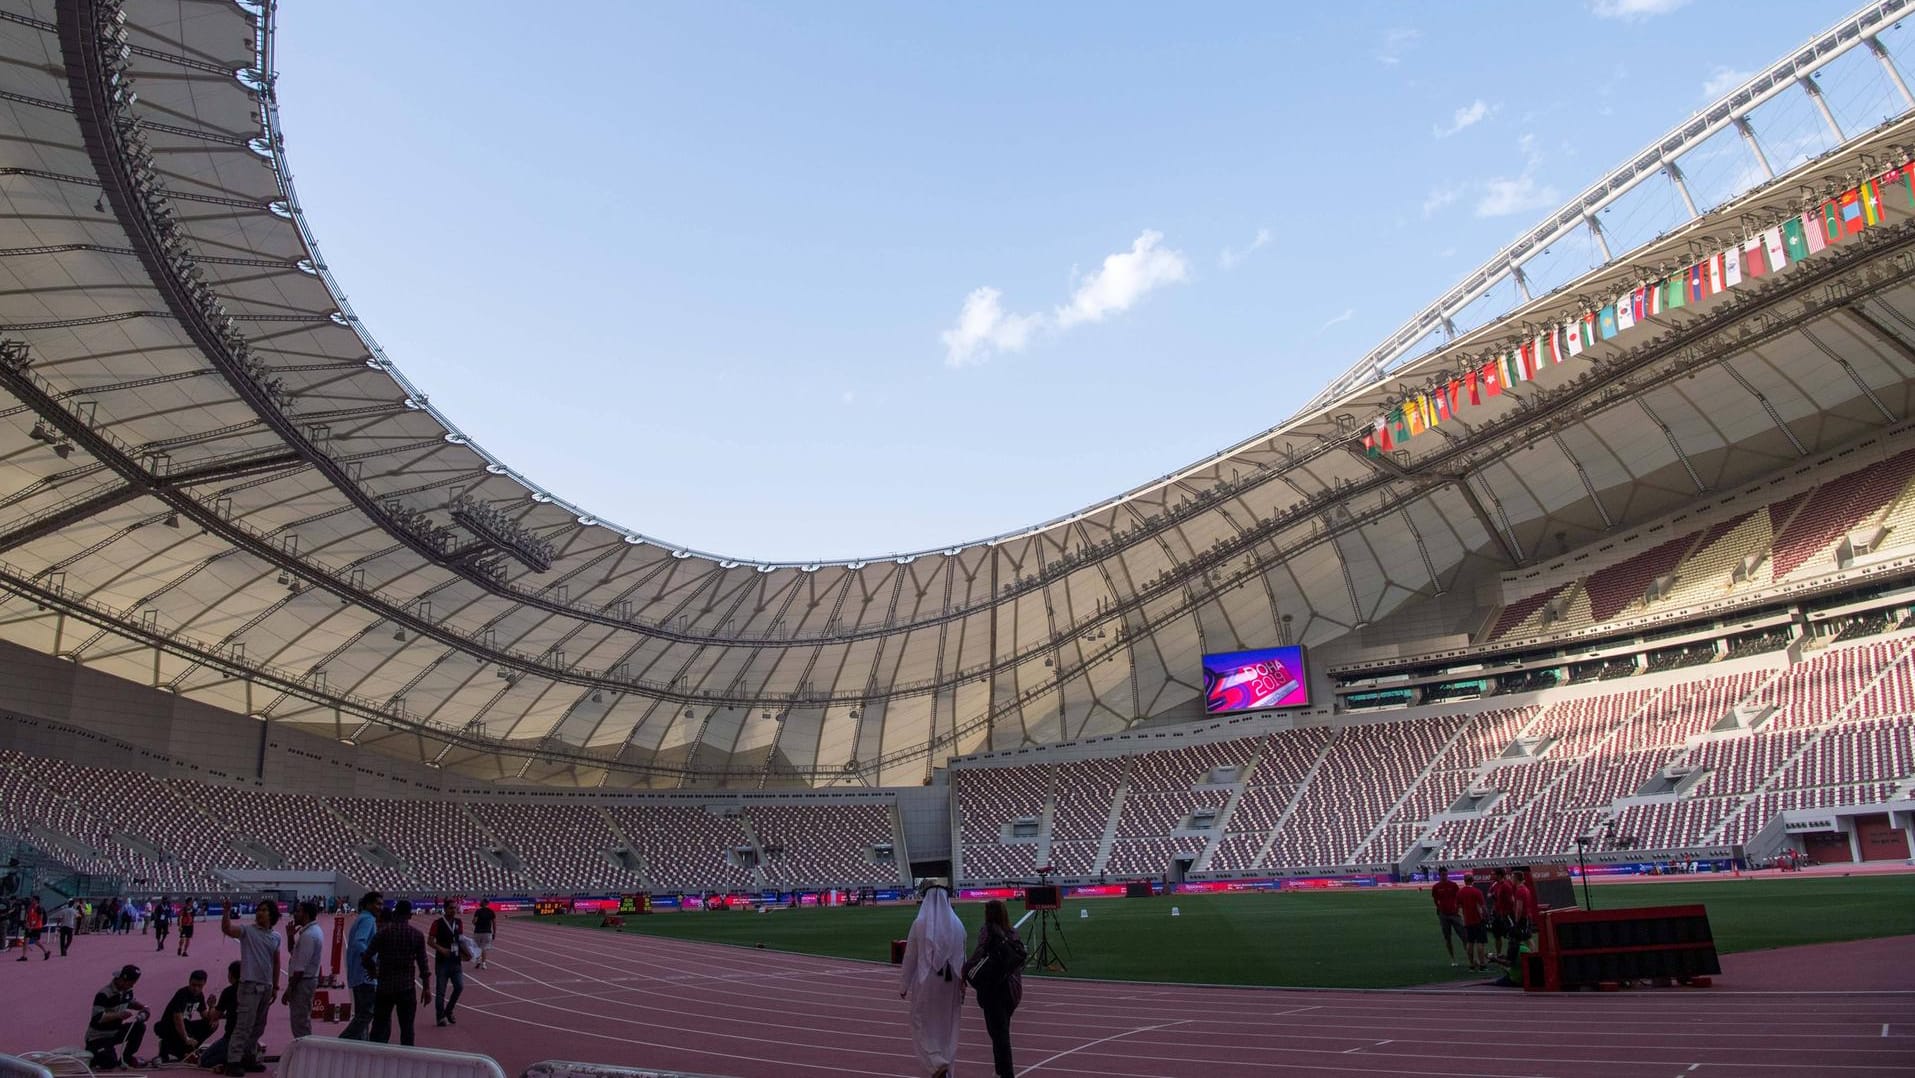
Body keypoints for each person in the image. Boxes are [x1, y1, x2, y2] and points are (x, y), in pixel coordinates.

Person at [898, 887, 966, 1078]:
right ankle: (947, 1067)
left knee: (920, 1020)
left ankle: (936, 1063)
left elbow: (910, 955)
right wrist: (962, 983)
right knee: (948, 1026)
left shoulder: (919, 924)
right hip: (951, 982)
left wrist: (904, 984)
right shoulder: (957, 924)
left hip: (927, 980)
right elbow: (962, 955)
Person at [962, 898, 1026, 1078]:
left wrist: (965, 970)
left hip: (993, 990)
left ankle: (1005, 1073)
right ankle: (1000, 1070)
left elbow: (979, 955)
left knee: (999, 1036)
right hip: (1013, 990)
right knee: (1001, 1032)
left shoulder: (987, 932)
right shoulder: (1013, 934)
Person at [219, 898, 282, 1076]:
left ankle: (249, 1057)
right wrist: (226, 912)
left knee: (258, 1026)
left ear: (272, 914)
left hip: (266, 986)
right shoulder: (247, 931)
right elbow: (227, 929)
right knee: (244, 1024)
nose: (259, 913)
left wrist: (276, 986)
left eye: (264, 910)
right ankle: (233, 1061)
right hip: (249, 985)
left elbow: (276, 963)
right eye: (259, 909)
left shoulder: (276, 937)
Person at [364, 900, 431, 1047]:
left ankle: (373, 1057)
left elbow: (367, 956)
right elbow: (423, 965)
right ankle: (406, 1060)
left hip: (384, 987)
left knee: (379, 1026)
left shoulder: (383, 933)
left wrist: (372, 970)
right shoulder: (417, 935)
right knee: (407, 1029)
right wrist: (426, 988)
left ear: (394, 914)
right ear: (410, 915)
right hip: (406, 988)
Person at [85, 963, 150, 1070]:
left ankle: (126, 1058)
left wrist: (143, 1007)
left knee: (139, 1027)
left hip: (115, 1032)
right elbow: (97, 1018)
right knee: (109, 1063)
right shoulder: (104, 994)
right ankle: (94, 1054)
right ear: (122, 980)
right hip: (98, 1036)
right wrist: (118, 1015)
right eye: (130, 983)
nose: (132, 986)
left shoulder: (126, 991)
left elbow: (129, 1002)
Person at [339, 892, 382, 1040]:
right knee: (367, 1013)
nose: (380, 907)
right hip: (365, 976)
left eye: (381, 904)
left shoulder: (361, 919)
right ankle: (342, 1041)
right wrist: (370, 961)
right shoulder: (368, 920)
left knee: (361, 1014)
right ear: (368, 904)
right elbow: (359, 942)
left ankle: (360, 1046)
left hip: (357, 974)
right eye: (377, 904)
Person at [155, 968, 218, 1063]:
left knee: (212, 1023)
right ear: (189, 982)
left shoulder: (199, 995)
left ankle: (190, 1049)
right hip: (171, 1026)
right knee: (175, 1031)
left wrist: (211, 1007)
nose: (196, 988)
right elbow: (177, 1019)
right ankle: (174, 1048)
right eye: (193, 985)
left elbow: (205, 1015)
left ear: (204, 984)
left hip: (186, 1024)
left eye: (199, 986)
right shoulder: (182, 994)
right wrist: (186, 1038)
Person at [286, 900, 324, 1041]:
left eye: (298, 911)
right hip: (305, 981)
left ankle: (304, 1052)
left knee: (300, 1022)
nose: (295, 914)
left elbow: (300, 968)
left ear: (306, 914)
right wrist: (290, 936)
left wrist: (290, 989)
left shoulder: (309, 935)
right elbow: (293, 952)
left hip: (303, 983)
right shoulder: (310, 932)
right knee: (301, 1021)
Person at [196, 962, 242, 1071]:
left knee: (204, 1061)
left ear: (230, 975)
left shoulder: (229, 991)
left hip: (231, 1037)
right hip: (249, 1036)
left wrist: (211, 1006)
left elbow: (214, 1016)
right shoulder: (252, 991)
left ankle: (231, 1060)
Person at [429, 898, 465, 1027]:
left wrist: (467, 953)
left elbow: (460, 940)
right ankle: (440, 1017)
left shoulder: (459, 922)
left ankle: (448, 1010)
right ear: (445, 909)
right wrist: (441, 949)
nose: (453, 910)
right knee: (440, 991)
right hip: (442, 962)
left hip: (456, 961)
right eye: (451, 908)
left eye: (455, 908)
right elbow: (430, 941)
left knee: (460, 986)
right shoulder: (437, 923)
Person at [1456, 871, 1489, 972]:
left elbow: (1459, 908)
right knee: (1480, 943)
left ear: (1464, 881)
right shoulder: (1477, 892)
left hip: (1467, 920)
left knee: (1470, 943)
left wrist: (1463, 918)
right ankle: (1482, 964)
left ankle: (1471, 964)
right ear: (1472, 880)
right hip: (1478, 920)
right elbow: (1483, 907)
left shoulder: (1460, 892)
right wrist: (1486, 916)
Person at [1430, 867, 1462, 967]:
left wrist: (1457, 909)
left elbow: (1459, 898)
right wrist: (1439, 909)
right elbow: (1435, 900)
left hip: (1454, 914)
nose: (1444, 876)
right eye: (1443, 874)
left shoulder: (1453, 885)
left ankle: (1471, 959)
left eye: (1446, 874)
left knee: (1464, 935)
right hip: (1444, 915)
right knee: (1448, 938)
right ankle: (1453, 959)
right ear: (1439, 875)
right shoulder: (1436, 887)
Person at [1487, 867, 1514, 960]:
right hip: (1497, 912)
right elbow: (1489, 894)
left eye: (1493, 874)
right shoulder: (1494, 884)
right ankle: (1499, 954)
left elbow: (1511, 899)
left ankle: (1512, 954)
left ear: (1498, 875)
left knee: (1511, 934)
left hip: (1505, 913)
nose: (1492, 875)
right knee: (1497, 935)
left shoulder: (1506, 884)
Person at [17, 896, 49, 961]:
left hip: (36, 927)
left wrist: (33, 926)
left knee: (36, 942)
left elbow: (40, 918)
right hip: (29, 926)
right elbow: (27, 916)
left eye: (33, 900)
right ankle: (24, 956)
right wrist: (26, 923)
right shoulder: (29, 907)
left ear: (37, 901)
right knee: (26, 941)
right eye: (32, 900)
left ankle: (46, 952)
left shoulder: (39, 908)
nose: (32, 901)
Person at [471, 899, 496, 970]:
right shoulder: (491, 911)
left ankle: (478, 962)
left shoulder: (478, 911)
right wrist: (494, 933)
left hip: (478, 932)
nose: (480, 902)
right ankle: (484, 964)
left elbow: (474, 921)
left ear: (484, 903)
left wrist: (475, 923)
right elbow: (494, 923)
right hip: (487, 932)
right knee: (484, 948)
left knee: (477, 947)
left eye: (481, 901)